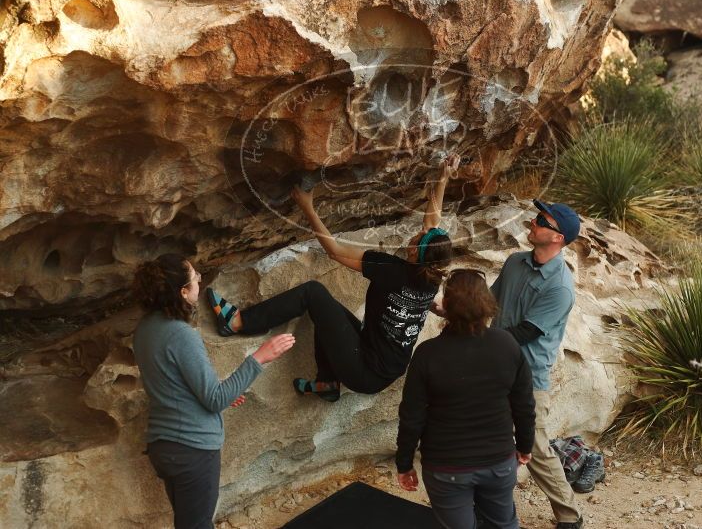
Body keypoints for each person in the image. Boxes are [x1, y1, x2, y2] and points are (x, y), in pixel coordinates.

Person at [206, 156, 459, 402]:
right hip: (383, 365)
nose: (418, 232)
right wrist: (443, 179)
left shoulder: (390, 269)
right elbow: (431, 224)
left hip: (365, 370)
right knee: (328, 313)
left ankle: (239, 322)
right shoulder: (431, 276)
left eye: (419, 237)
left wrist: (307, 207)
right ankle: (327, 383)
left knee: (313, 293)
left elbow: (335, 251)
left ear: (416, 252)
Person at [132, 254, 295, 529]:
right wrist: (259, 357)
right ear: (183, 292)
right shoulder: (182, 334)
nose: (199, 279)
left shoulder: (145, 330)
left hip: (164, 447)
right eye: (194, 277)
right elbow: (214, 399)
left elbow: (173, 386)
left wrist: (222, 393)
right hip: (192, 449)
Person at [395, 268, 535, 529]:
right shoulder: (507, 345)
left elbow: (412, 416)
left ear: (445, 306)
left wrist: (404, 464)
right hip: (498, 463)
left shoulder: (427, 354)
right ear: (488, 304)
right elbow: (524, 405)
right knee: (503, 524)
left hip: (447, 468)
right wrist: (525, 446)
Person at [489, 200, 583, 529]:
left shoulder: (560, 287)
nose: (533, 222)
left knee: (537, 447)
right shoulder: (514, 262)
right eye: (536, 217)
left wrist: (477, 345)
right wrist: (456, 311)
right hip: (494, 367)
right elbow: (488, 302)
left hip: (527, 378)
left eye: (542, 220)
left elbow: (525, 333)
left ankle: (570, 516)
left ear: (558, 238)